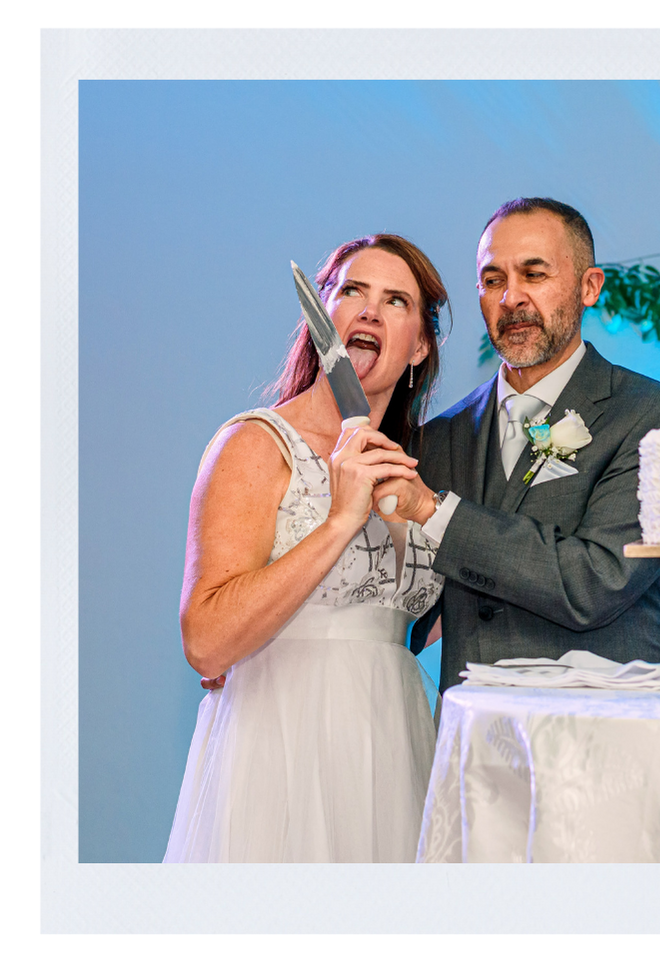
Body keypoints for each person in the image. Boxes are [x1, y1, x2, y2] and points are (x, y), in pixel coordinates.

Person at [163, 234, 447, 862]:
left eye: (396, 300)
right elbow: (206, 641)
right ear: (321, 317)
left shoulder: (418, 464)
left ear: (420, 345)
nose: (369, 310)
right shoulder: (256, 444)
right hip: (284, 740)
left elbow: (414, 615)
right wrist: (339, 521)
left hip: (393, 740)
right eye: (352, 291)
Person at [374, 198, 660, 691]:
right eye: (493, 281)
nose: (512, 298)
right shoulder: (437, 438)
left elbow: (597, 582)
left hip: (607, 718)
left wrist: (434, 512)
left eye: (534, 275)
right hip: (475, 726)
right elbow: (410, 612)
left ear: (589, 287)